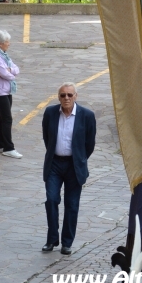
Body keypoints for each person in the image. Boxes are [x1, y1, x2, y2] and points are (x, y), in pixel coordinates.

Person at [41, 83, 96, 254]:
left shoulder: (86, 115)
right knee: (51, 200)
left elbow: (89, 144)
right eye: (63, 95)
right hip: (55, 164)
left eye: (69, 95)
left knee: (71, 205)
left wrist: (80, 160)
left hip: (74, 166)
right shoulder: (50, 113)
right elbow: (46, 137)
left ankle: (67, 242)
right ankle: (51, 239)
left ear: (75, 96)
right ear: (58, 97)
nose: (66, 98)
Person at [0, 30, 22, 158]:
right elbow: (4, 73)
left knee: (3, 117)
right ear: (0, 44)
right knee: (7, 118)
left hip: (6, 90)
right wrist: (11, 73)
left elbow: (15, 68)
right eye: (7, 42)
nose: (9, 44)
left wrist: (11, 70)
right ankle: (8, 147)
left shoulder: (4, 55)